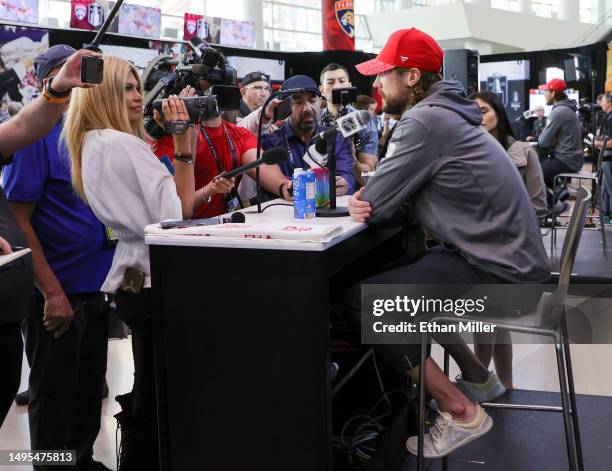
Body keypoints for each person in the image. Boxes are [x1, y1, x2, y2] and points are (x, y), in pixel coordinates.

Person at [346, 28, 550, 458]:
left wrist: (361, 200)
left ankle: (460, 410)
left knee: (367, 302)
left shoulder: (425, 120)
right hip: (509, 263)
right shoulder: (449, 114)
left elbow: (377, 204)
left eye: (385, 74)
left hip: (505, 278)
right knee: (400, 281)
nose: (377, 84)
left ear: (413, 77)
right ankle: (478, 376)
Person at [62, 55, 197, 470]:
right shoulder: (125, 145)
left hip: (130, 276)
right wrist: (184, 149)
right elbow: (177, 214)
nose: (138, 96)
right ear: (102, 92)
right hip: (154, 275)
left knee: (146, 390)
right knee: (159, 396)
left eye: (139, 86)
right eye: (127, 87)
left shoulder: (91, 143)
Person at [1, 45, 115, 471]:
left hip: (96, 289)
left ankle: (81, 461)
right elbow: (19, 220)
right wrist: (51, 292)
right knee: (53, 398)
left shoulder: (95, 133)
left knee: (87, 394)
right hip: (57, 292)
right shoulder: (36, 139)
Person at [254, 75, 355, 200]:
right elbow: (274, 187)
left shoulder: (338, 139)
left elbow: (346, 176)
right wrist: (321, 184)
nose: (307, 108)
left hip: (329, 213)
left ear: (320, 102)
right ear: (284, 107)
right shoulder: (270, 143)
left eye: (312, 100)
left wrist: (345, 183)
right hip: (285, 215)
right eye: (298, 102)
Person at [472, 91, 547, 221]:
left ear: (498, 113)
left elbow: (538, 208)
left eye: (483, 111)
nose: (478, 117)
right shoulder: (464, 154)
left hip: (511, 233)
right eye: (472, 113)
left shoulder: (525, 152)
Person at [319, 63, 379, 177]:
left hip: (352, 191)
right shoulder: (315, 119)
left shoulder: (363, 121)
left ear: (349, 85)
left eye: (342, 81)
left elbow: (368, 174)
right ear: (321, 90)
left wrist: (352, 157)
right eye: (330, 82)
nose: (337, 86)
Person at [537, 78, 583, 210]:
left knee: (532, 173)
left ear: (552, 93)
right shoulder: (566, 109)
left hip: (566, 160)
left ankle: (554, 205)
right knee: (539, 163)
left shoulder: (558, 111)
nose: (544, 94)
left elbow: (543, 141)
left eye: (545, 91)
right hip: (571, 158)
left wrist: (546, 135)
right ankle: (559, 190)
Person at [595, 92, 612, 224]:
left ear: (609, 103)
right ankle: (606, 213)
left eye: (603, 101)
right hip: (606, 155)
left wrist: (599, 143)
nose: (601, 103)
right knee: (605, 187)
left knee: (610, 186)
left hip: (610, 156)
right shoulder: (607, 117)